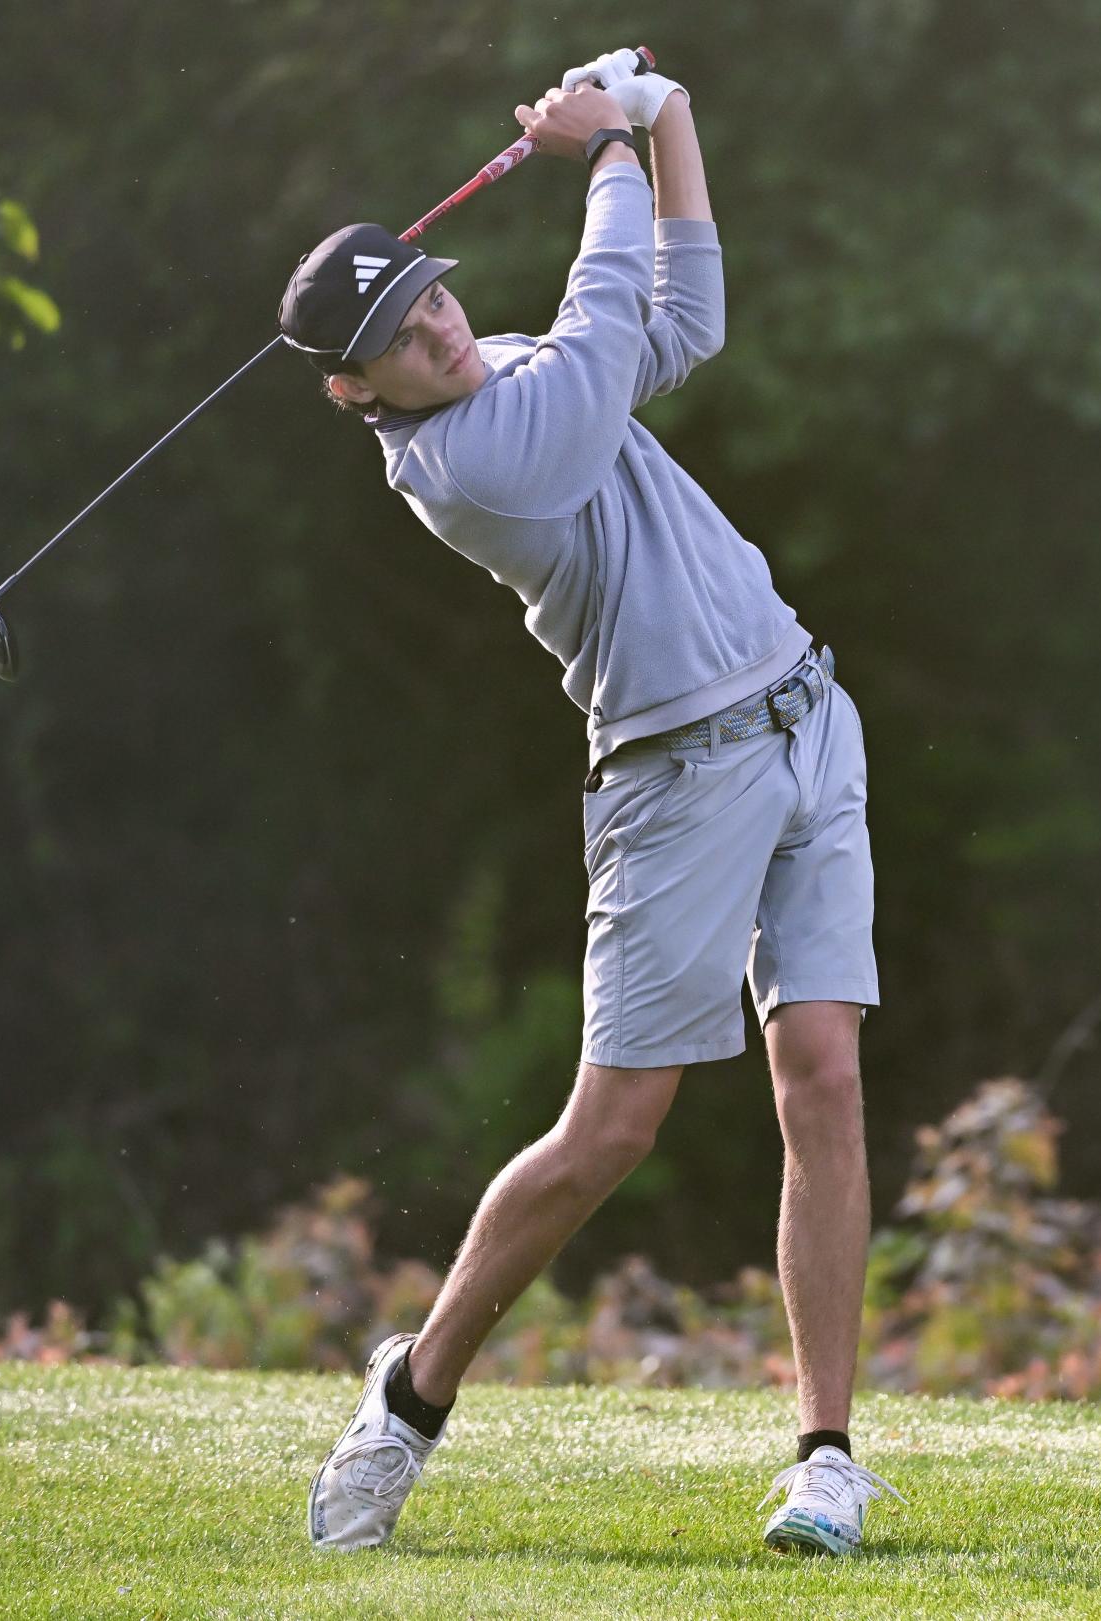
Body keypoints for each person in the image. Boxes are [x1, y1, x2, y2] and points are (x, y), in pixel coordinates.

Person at [278, 47, 905, 1559]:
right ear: (357, 393)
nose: (436, 322)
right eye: (400, 337)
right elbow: (612, 307)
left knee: (820, 1073)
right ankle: (412, 1395)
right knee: (610, 1127)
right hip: (674, 778)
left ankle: (823, 1453)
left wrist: (667, 111)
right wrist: (602, 156)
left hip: (804, 715)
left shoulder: (499, 361)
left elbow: (677, 318)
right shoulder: (465, 460)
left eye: (427, 290)